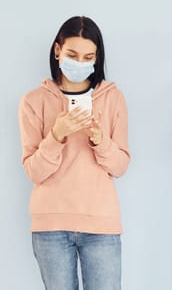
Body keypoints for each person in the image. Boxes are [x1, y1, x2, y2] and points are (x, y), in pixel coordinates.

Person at [19, 16, 130, 290]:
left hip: (101, 225)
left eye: (88, 56)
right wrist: (56, 136)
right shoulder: (33, 102)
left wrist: (100, 141)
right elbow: (34, 171)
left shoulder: (113, 98)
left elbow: (120, 166)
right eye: (72, 54)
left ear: (96, 58)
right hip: (51, 227)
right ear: (57, 50)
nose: (79, 63)